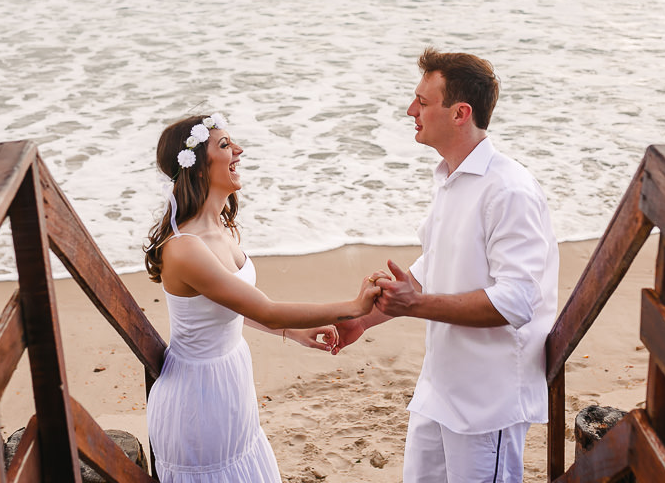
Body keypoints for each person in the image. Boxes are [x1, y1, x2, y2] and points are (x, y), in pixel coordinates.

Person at [332, 49, 559, 483]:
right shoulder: (450, 177)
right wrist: (366, 321)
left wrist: (414, 305)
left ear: (460, 113)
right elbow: (433, 264)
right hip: (439, 387)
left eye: (423, 101)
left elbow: (516, 301)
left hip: (486, 402)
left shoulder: (510, 190)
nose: (410, 110)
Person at [143, 112, 386, 483]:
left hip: (228, 380)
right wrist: (353, 307)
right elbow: (267, 310)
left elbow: (231, 306)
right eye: (225, 145)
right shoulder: (185, 249)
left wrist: (292, 332)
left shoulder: (220, 226)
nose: (238, 150)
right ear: (196, 167)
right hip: (197, 398)